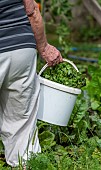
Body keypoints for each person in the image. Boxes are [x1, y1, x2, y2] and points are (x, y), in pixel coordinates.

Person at [0, 0, 63, 167]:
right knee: (21, 120)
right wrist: (44, 48)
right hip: (22, 49)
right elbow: (32, 10)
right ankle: (24, 164)